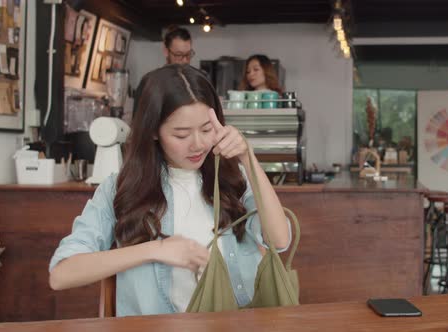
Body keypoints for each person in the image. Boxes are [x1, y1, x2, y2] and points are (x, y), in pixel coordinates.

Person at [49, 64, 291, 317]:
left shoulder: (233, 178)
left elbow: (279, 240)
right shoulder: (121, 187)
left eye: (206, 130)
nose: (198, 144)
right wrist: (155, 250)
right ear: (153, 131)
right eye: (181, 134)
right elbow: (62, 274)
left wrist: (247, 157)